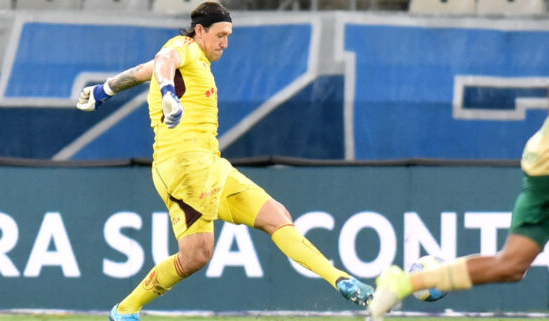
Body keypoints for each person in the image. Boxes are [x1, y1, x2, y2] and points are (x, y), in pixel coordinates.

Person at [76, 2, 373, 320]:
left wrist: (104, 90)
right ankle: (126, 310)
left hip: (209, 165)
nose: (225, 42)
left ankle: (339, 279)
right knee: (199, 254)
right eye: (220, 34)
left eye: (229, 35)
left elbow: (143, 70)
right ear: (199, 30)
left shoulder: (195, 60)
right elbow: (163, 59)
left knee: (269, 220)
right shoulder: (184, 47)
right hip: (183, 168)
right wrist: (167, 92)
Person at [368, 100, 549, 320]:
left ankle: (405, 283)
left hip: (540, 159)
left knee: (511, 267)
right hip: (544, 168)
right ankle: (402, 283)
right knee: (510, 264)